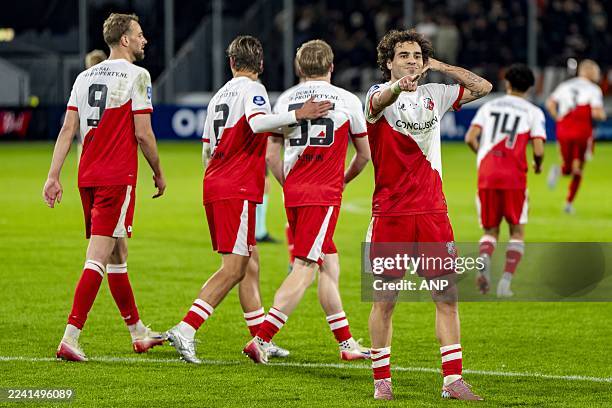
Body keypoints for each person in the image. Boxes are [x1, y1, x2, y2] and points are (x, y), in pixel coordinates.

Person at [165, 35, 331, 364]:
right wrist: (300, 113)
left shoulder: (218, 96)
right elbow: (257, 124)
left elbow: (206, 150)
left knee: (250, 264)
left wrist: (217, 177)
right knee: (234, 267)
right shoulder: (252, 90)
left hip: (217, 182)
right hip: (236, 186)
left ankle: (260, 339)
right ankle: (186, 329)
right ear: (261, 65)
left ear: (231, 63)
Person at [364, 29, 492, 400]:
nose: (412, 60)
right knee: (385, 301)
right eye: (403, 55)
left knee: (447, 297)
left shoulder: (436, 93)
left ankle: (452, 381)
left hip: (433, 212)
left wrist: (440, 66)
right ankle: (381, 380)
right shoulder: (377, 96)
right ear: (388, 62)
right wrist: (398, 86)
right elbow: (381, 99)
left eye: (417, 55)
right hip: (391, 214)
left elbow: (482, 87)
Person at [43, 13, 166, 361]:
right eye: (140, 35)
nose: (144, 41)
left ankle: (137, 331)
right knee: (97, 257)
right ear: (124, 39)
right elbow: (143, 133)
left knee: (117, 253)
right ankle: (71, 336)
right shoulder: (138, 76)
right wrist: (158, 171)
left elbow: (68, 130)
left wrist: (53, 176)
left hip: (89, 177)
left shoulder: (84, 77)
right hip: (116, 177)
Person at [242, 39, 371, 364]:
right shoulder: (346, 100)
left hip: (296, 190)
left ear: (300, 68)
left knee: (329, 262)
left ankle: (346, 343)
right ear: (331, 67)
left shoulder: (286, 98)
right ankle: (262, 338)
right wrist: (340, 181)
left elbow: (271, 154)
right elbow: (364, 155)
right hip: (323, 192)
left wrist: (290, 183)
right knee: (306, 266)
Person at [465, 64, 546, 298]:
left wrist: (483, 155)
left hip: (487, 175)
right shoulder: (533, 112)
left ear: (507, 84)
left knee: (490, 230)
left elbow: (470, 138)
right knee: (516, 231)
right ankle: (505, 284)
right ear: (530, 87)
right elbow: (538, 149)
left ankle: (483, 261)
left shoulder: (489, 106)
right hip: (514, 176)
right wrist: (538, 165)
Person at [545, 60, 607, 214]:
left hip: (564, 128)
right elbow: (597, 113)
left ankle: (560, 170)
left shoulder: (565, 86)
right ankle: (568, 203)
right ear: (592, 72)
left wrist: (558, 118)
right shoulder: (594, 90)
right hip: (582, 130)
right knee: (578, 168)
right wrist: (603, 116)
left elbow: (550, 103)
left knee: (568, 167)